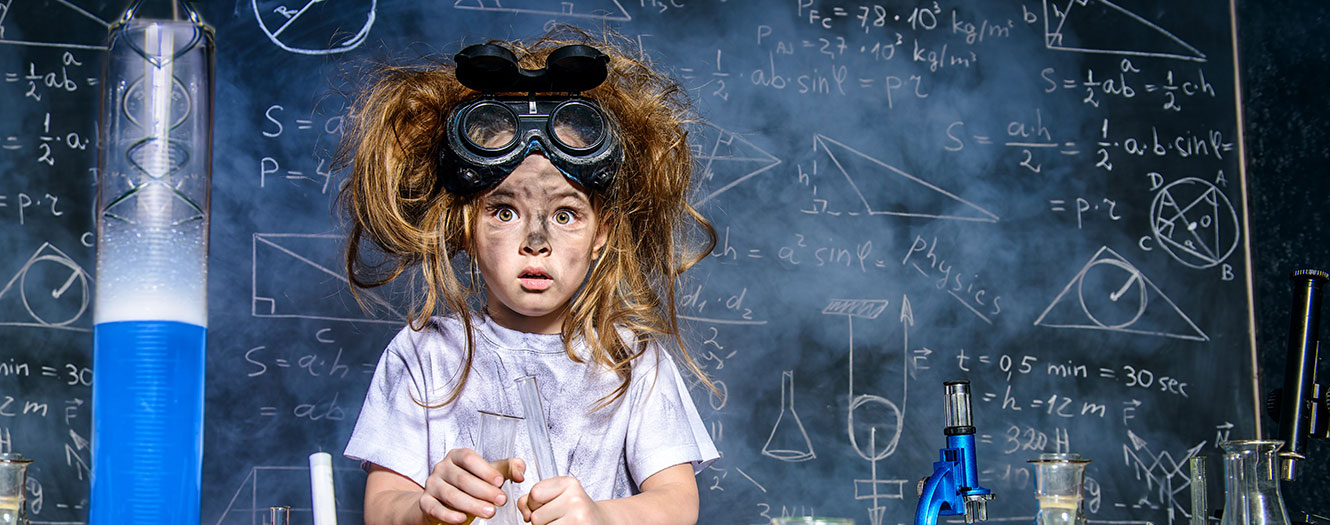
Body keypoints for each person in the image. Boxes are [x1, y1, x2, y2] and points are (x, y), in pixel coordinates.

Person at [339, 25, 720, 525]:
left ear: (601, 230)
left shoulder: (631, 360)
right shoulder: (422, 354)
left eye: (565, 214)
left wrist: (602, 518)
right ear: (464, 226)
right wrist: (425, 508)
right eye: (503, 211)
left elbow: (677, 503)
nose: (536, 241)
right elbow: (383, 507)